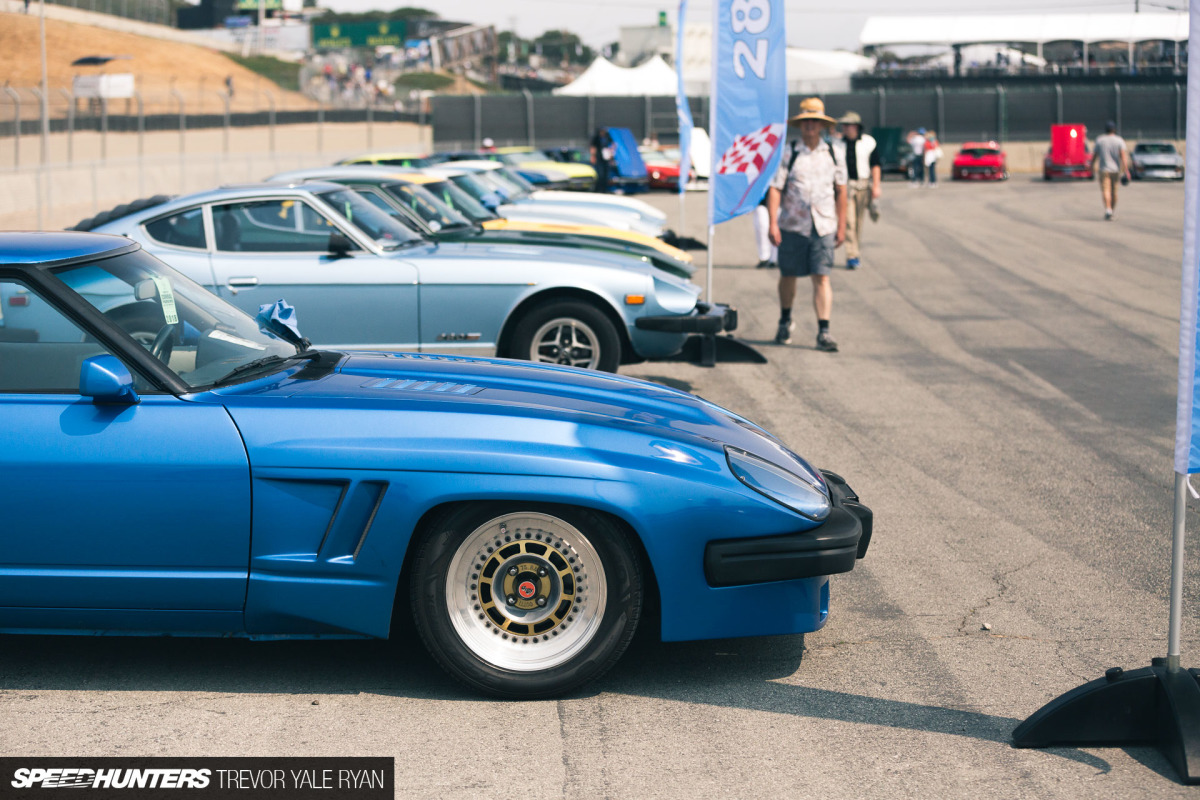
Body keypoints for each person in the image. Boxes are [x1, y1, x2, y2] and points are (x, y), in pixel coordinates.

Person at [767, 97, 847, 352]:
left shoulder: (834, 152)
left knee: (821, 276)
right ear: (800, 125)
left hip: (823, 225)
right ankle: (785, 319)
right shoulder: (789, 152)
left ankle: (824, 331)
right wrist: (772, 223)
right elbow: (776, 188)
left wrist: (842, 225)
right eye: (805, 122)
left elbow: (841, 190)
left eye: (814, 121)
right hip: (792, 224)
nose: (810, 126)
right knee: (788, 274)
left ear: (822, 124)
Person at [834, 111, 881, 270]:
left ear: (856, 127)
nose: (845, 128)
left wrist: (876, 186)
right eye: (844, 125)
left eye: (848, 125)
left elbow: (875, 165)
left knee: (859, 221)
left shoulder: (868, 143)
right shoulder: (837, 144)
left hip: (863, 185)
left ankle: (856, 250)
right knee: (849, 221)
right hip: (845, 186)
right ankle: (851, 255)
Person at [1091, 121, 1131, 220]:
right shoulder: (1119, 140)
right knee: (1114, 192)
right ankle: (1111, 210)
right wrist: (1126, 170)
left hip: (1104, 170)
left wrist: (1091, 165)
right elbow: (1123, 156)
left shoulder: (1100, 140)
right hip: (1116, 170)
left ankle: (1108, 210)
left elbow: (1095, 155)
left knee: (1106, 190)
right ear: (1114, 129)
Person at [752, 193, 777, 269]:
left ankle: (774, 259)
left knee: (776, 230)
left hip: (777, 201)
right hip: (761, 201)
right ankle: (764, 257)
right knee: (761, 229)